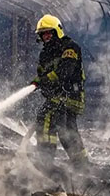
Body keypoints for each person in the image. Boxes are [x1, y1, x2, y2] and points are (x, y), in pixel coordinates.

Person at [31, 14, 87, 164]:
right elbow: (42, 74)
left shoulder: (70, 47)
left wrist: (45, 80)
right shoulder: (44, 54)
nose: (46, 36)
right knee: (67, 132)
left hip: (71, 95)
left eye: (49, 32)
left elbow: (65, 71)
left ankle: (45, 159)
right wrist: (37, 82)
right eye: (43, 34)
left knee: (45, 115)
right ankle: (82, 164)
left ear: (57, 31)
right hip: (57, 97)